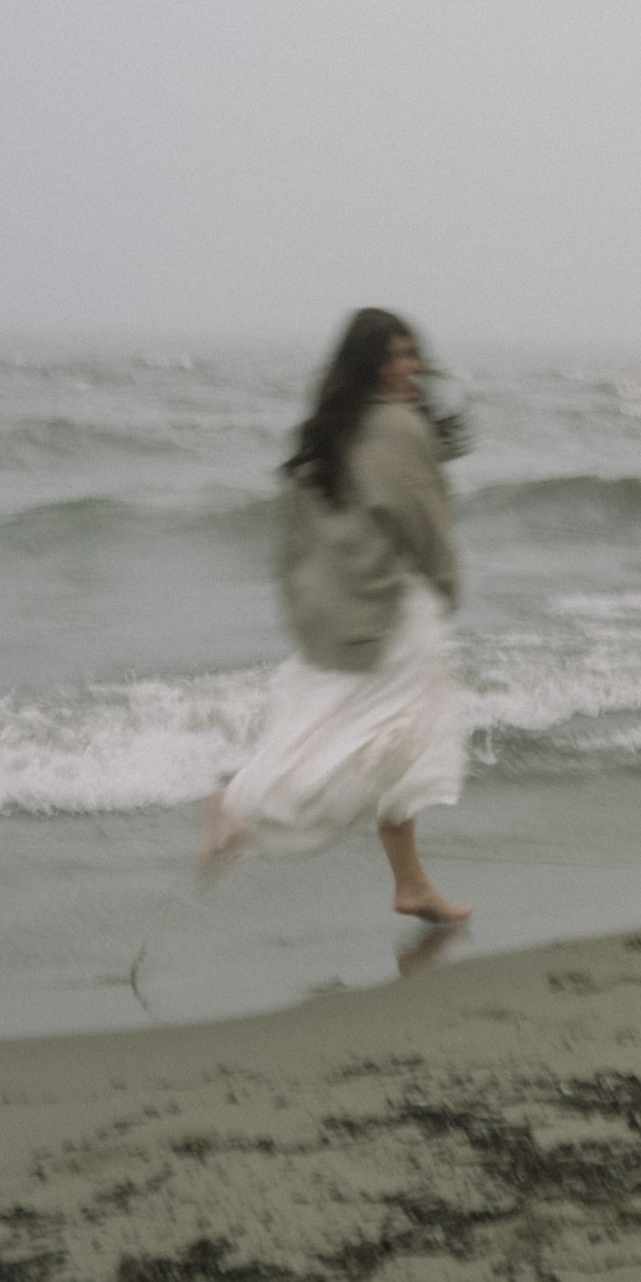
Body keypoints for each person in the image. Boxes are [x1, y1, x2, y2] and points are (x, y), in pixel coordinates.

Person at [199, 308, 473, 923]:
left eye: (411, 353)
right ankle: (238, 808)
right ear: (371, 364)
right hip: (397, 610)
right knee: (386, 740)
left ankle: (411, 884)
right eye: (395, 356)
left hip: (349, 607)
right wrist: (448, 582)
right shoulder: (397, 426)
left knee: (377, 738)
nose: (408, 366)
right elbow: (422, 517)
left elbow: (303, 533)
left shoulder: (334, 428)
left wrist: (314, 601)